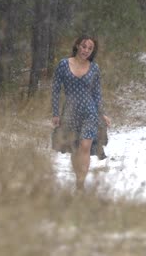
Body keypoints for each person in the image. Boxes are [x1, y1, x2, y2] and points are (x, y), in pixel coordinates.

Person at [52, 35, 111, 190]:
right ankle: (78, 179)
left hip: (89, 112)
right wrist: (56, 114)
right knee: (75, 148)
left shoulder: (94, 68)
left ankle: (80, 184)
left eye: (90, 48)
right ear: (77, 45)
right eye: (84, 46)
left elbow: (97, 94)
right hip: (70, 113)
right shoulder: (63, 64)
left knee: (85, 146)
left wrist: (102, 114)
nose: (86, 50)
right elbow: (56, 91)